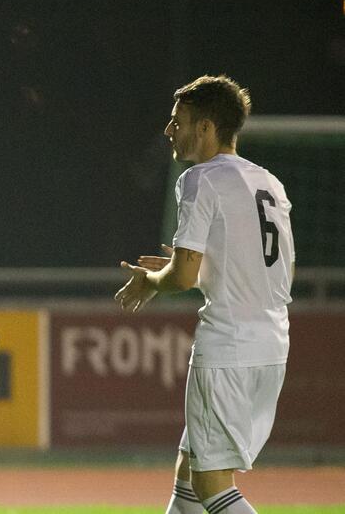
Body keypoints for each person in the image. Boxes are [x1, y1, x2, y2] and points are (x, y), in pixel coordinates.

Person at [115, 75, 294, 514]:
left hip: (228, 346)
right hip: (271, 343)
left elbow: (182, 277)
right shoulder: (268, 182)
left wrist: (153, 281)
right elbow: (272, 266)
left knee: (213, 483)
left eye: (178, 121)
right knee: (190, 471)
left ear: (206, 128)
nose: (168, 130)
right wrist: (191, 268)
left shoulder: (199, 178)